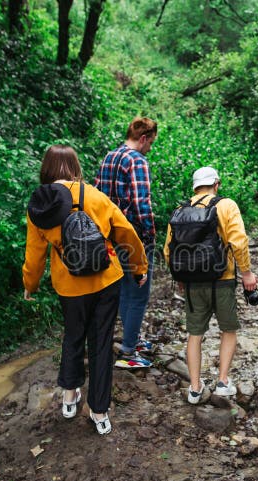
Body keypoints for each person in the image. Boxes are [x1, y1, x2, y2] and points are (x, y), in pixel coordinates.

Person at [23, 145, 148, 435]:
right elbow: (125, 230)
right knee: (101, 343)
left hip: (69, 285)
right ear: (74, 166)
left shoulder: (40, 205)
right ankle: (100, 412)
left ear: (47, 168)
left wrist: (31, 283)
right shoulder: (94, 195)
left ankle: (70, 397)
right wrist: (139, 267)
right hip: (106, 279)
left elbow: (34, 253)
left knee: (73, 335)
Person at [163, 166, 258, 404]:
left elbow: (168, 250)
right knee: (228, 330)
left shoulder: (180, 210)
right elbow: (238, 242)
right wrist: (246, 273)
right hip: (222, 279)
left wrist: (182, 278)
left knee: (194, 334)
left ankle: (195, 388)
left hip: (193, 283)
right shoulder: (226, 205)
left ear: (194, 187)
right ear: (216, 183)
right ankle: (223, 381)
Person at [95, 117, 158, 369]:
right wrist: (150, 235)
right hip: (134, 237)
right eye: (151, 143)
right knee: (139, 294)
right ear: (143, 138)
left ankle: (130, 339)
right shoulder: (137, 161)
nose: (150, 148)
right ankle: (129, 352)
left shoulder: (109, 157)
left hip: (110, 235)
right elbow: (142, 204)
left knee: (123, 289)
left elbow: (98, 197)